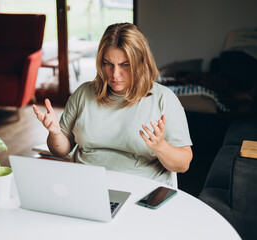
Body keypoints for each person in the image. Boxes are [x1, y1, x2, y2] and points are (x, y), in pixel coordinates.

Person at [33, 23, 192, 187]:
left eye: (125, 64)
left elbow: (183, 164)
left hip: (141, 190)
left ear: (141, 62)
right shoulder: (83, 93)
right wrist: (55, 133)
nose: (115, 74)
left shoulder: (164, 99)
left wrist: (161, 147)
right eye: (108, 63)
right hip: (87, 186)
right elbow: (61, 150)